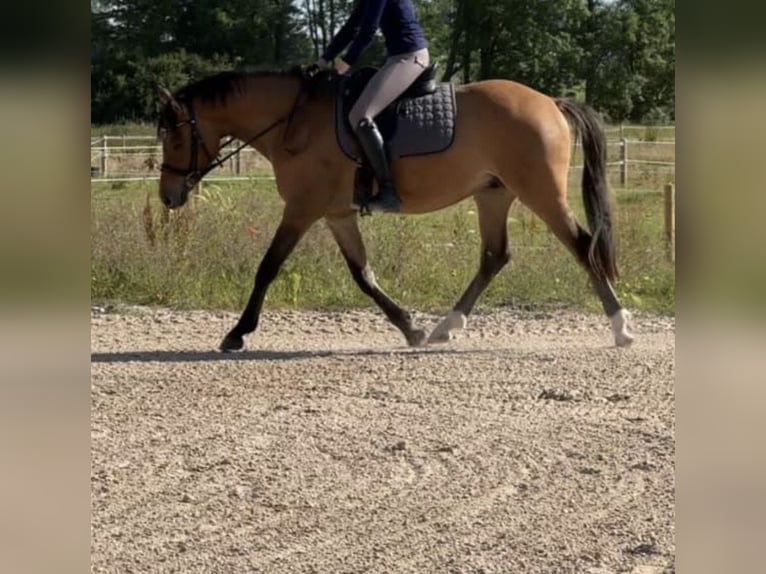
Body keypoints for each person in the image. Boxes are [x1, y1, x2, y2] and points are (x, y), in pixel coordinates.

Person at [317, 0, 430, 213]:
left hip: (410, 57)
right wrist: (323, 60)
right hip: (396, 59)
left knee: (360, 116)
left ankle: (388, 192)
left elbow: (368, 31)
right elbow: (351, 27)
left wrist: (346, 63)